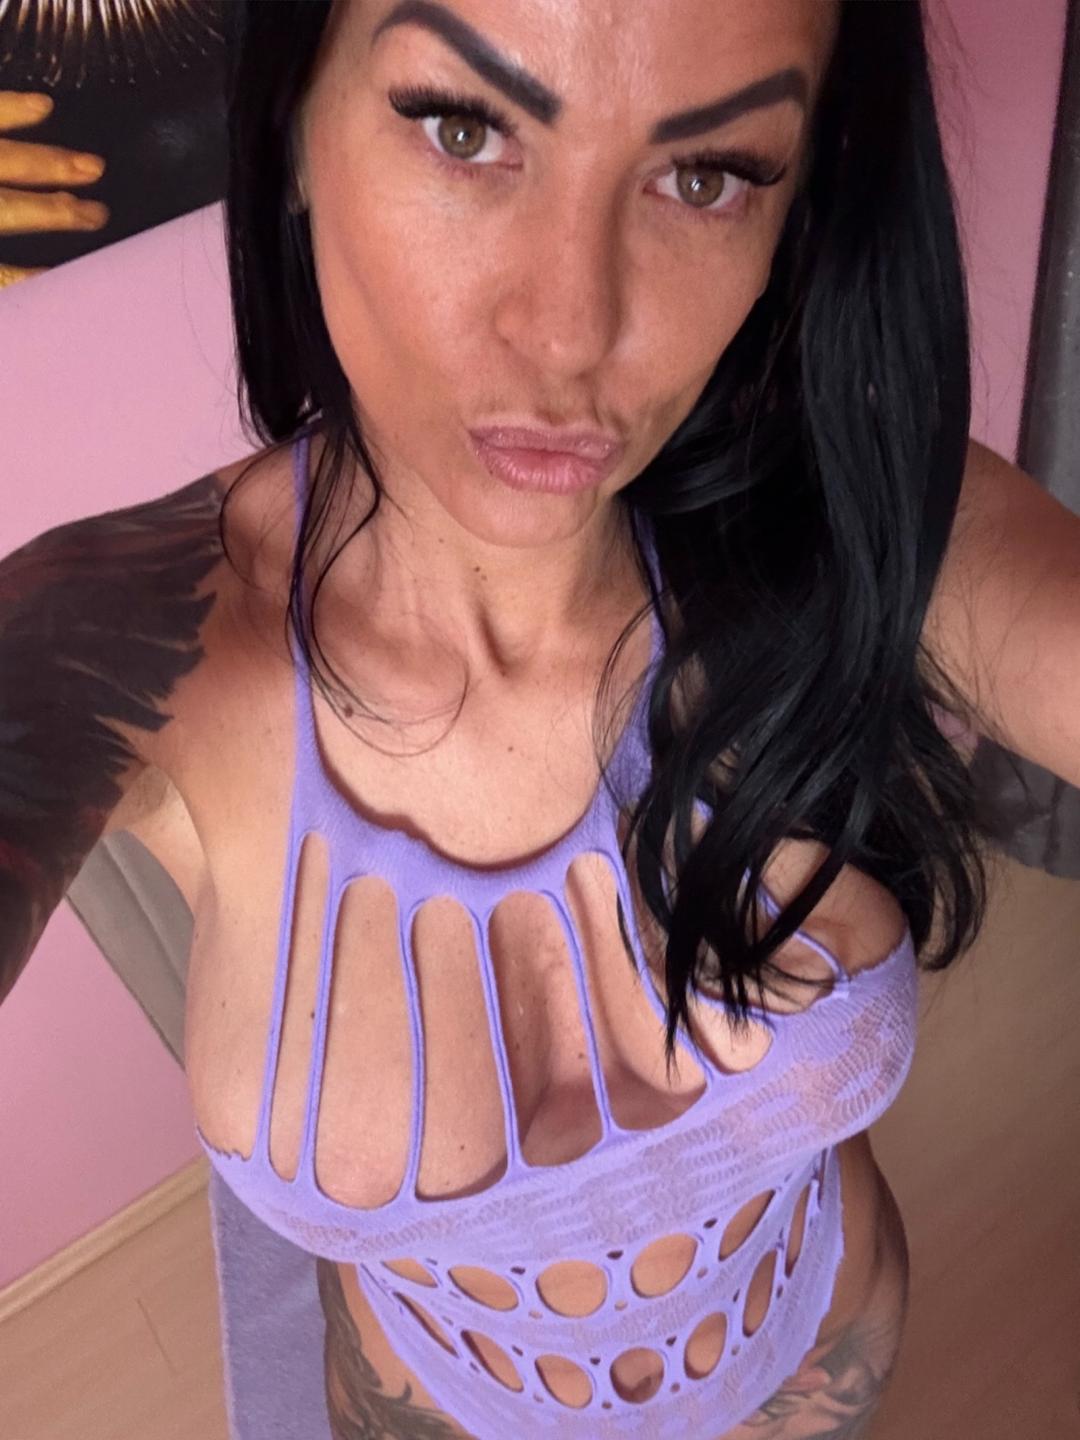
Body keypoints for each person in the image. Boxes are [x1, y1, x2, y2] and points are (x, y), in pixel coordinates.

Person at [3, 1, 1078, 1436]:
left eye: (706, 175)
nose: (572, 334)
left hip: (815, 1366)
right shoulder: (126, 639)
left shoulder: (858, 515)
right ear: (294, 128)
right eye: (463, 128)